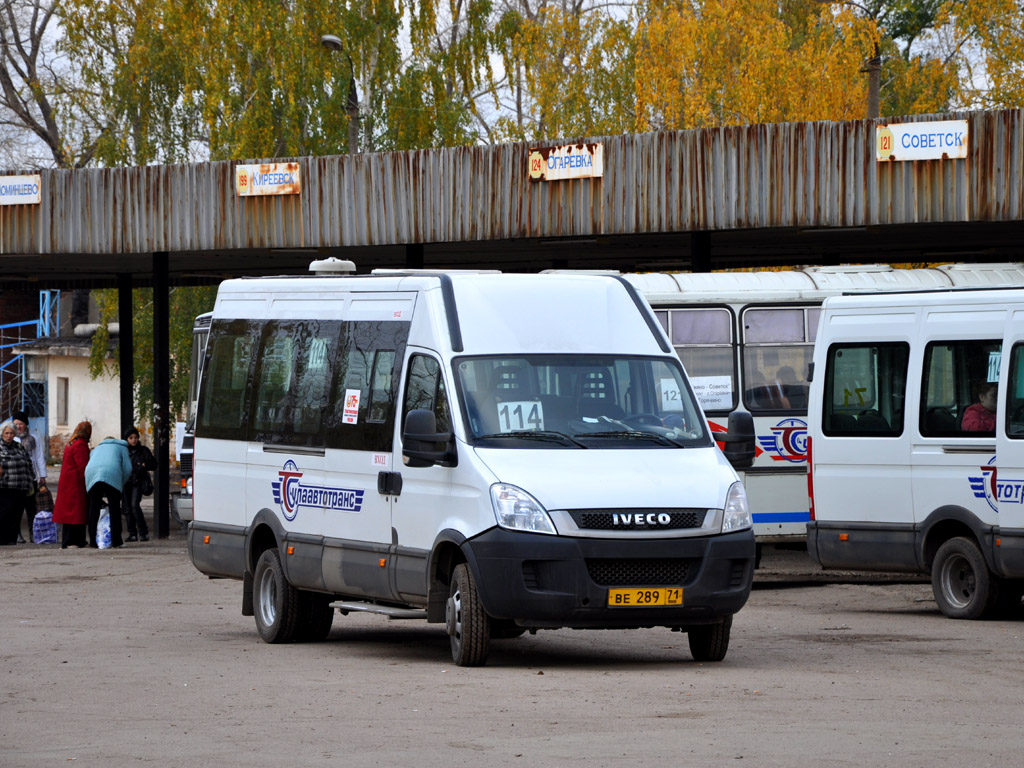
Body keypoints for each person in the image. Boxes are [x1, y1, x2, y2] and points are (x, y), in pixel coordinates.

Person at [84, 435, 132, 549]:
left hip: (92, 475)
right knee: (114, 509)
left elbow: (89, 465)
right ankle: (117, 541)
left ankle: (92, 541)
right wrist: (120, 483)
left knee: (93, 509)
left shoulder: (96, 449)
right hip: (112, 474)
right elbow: (128, 468)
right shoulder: (122, 447)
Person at [52, 422, 92, 548]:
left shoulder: (71, 442)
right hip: (76, 483)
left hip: (67, 481)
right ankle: (75, 540)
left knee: (68, 513)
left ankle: (68, 540)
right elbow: (83, 466)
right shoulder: (81, 444)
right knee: (77, 512)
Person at [12, 410, 47, 543]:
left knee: (31, 507)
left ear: (25, 424)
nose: (18, 427)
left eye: (21, 424)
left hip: (30, 477)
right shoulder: (11, 438)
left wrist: (42, 475)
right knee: (16, 508)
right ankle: (17, 534)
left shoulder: (33, 438)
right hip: (16, 478)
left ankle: (33, 534)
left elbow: (39, 457)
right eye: (16, 424)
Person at [0, 421, 36, 545]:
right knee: (5, 512)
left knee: (17, 513)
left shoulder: (19, 446)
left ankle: (12, 539)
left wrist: (31, 478)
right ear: (2, 434)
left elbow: (28, 462)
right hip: (5, 486)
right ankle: (2, 538)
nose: (9, 436)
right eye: (6, 433)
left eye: (11, 433)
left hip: (21, 486)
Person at [122, 426, 156, 542]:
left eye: (135, 437)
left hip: (138, 482)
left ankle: (143, 532)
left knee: (134, 506)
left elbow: (154, 464)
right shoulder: (124, 451)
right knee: (127, 508)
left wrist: (145, 465)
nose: (133, 440)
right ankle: (132, 533)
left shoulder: (143, 450)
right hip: (126, 482)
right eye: (131, 438)